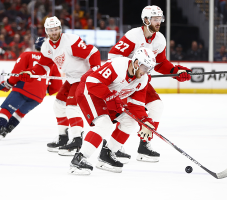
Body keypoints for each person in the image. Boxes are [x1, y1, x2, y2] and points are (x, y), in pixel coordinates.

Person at [107, 5, 191, 163]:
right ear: (146, 20)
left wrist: (175, 71)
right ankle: (112, 146)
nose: (158, 22)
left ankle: (144, 145)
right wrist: (131, 74)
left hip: (141, 82)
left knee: (157, 106)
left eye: (160, 19)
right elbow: (114, 56)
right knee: (125, 117)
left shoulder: (160, 39)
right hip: (124, 82)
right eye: (155, 19)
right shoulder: (133, 36)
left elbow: (160, 63)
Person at [18, 16, 101, 155]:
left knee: (71, 107)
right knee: (58, 105)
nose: (54, 32)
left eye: (56, 29)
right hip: (71, 78)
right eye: (51, 30)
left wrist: (95, 70)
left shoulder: (70, 41)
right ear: (46, 31)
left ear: (60, 29)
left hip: (83, 77)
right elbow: (43, 66)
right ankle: (63, 137)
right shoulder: (46, 46)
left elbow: (93, 52)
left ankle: (77, 140)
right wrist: (29, 72)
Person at [69, 47, 156, 175]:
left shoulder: (142, 80)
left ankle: (107, 154)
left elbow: (136, 105)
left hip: (108, 96)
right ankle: (79, 159)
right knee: (105, 123)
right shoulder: (118, 66)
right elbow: (92, 82)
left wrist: (145, 121)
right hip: (89, 90)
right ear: (137, 63)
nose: (146, 72)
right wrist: (110, 97)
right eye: (145, 68)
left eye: (149, 69)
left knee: (130, 121)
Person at [0, 37, 62, 142]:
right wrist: (44, 90)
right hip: (38, 97)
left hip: (23, 89)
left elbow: (17, 73)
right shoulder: (52, 62)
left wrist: (7, 84)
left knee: (7, 109)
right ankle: (4, 132)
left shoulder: (27, 55)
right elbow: (57, 85)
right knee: (20, 113)